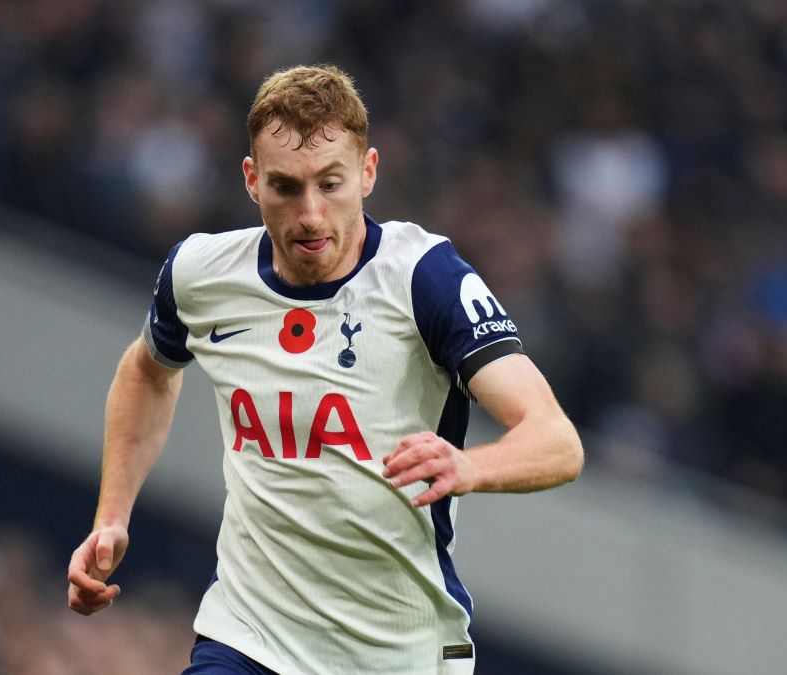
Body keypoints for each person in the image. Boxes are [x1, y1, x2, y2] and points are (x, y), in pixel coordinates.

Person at [67, 64, 584, 674]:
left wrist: (470, 466)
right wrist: (111, 518)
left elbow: (557, 441)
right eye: (286, 188)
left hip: (398, 653)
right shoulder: (201, 274)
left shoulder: (426, 278)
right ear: (252, 180)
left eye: (330, 184)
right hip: (249, 637)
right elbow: (147, 372)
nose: (310, 214)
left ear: (368, 173)